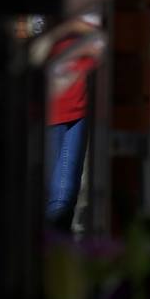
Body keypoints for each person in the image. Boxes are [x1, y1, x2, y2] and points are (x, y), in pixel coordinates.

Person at [41, 15, 105, 231]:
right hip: (52, 109)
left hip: (78, 107)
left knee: (66, 193)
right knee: (54, 194)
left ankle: (59, 242)